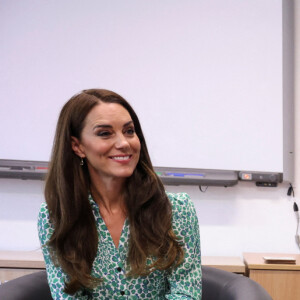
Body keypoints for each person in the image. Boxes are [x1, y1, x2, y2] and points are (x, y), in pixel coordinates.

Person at [38, 88, 202, 299]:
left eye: (129, 131)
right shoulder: (55, 216)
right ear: (77, 146)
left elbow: (186, 294)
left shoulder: (176, 209)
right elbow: (69, 297)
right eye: (105, 133)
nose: (124, 143)